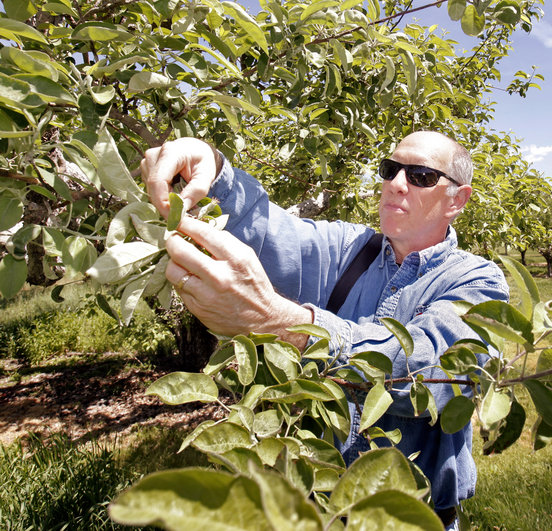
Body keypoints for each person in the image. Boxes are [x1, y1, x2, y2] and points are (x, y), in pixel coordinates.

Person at [140, 131, 509, 529]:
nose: (396, 184)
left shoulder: (478, 281)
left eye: (420, 176)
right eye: (390, 170)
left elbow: (434, 376)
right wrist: (212, 168)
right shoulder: (350, 248)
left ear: (457, 199)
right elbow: (272, 231)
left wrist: (283, 323)